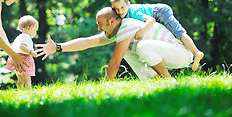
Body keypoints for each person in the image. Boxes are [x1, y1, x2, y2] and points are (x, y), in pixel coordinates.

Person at [36, 7, 193, 80]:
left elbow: (114, 63)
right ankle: (157, 82)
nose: (98, 28)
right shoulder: (116, 31)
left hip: (181, 53)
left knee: (140, 47)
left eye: (100, 24)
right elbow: (87, 42)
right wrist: (57, 47)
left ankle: (168, 81)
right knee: (130, 50)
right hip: (166, 55)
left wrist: (105, 89)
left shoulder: (127, 25)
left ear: (111, 21)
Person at [110, 0, 204, 71]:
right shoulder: (122, 14)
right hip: (158, 13)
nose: (119, 11)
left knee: (178, 32)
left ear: (128, 5)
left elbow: (151, 20)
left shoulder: (133, 12)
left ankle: (196, 52)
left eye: (122, 7)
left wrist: (142, 31)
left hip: (160, 12)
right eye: (116, 9)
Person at [6, 15, 39, 89]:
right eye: (35, 30)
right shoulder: (26, 36)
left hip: (17, 59)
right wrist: (31, 52)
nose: (35, 33)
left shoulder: (19, 37)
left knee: (20, 79)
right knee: (27, 79)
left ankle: (20, 91)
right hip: (24, 59)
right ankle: (28, 92)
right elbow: (22, 46)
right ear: (30, 28)